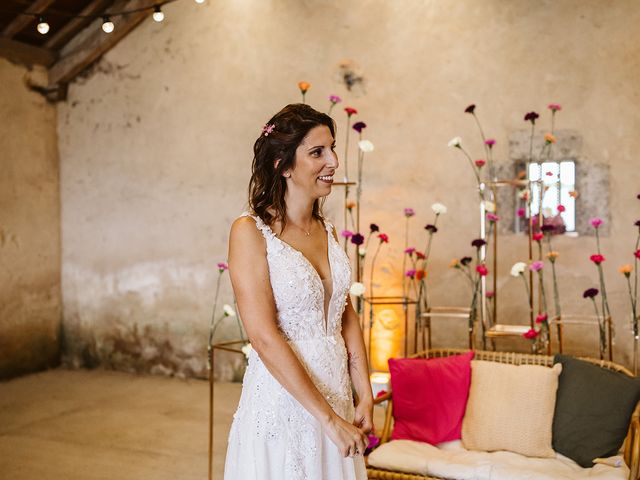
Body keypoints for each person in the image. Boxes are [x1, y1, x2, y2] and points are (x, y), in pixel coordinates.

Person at [224, 104, 373, 479]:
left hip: (336, 394)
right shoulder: (250, 233)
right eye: (317, 152)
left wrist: (364, 390)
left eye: (332, 148)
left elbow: (344, 312)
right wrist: (328, 419)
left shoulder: (330, 231)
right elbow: (262, 335)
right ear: (283, 165)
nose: (334, 161)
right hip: (283, 402)